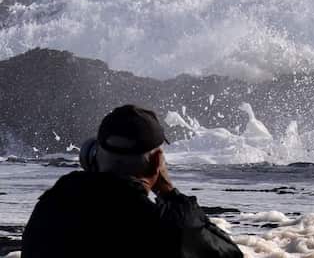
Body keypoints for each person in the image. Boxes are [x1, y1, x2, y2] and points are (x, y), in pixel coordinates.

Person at [21, 104, 242, 258]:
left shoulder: (51, 205)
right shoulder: (163, 228)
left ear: (94, 155)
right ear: (157, 161)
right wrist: (169, 194)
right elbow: (229, 253)